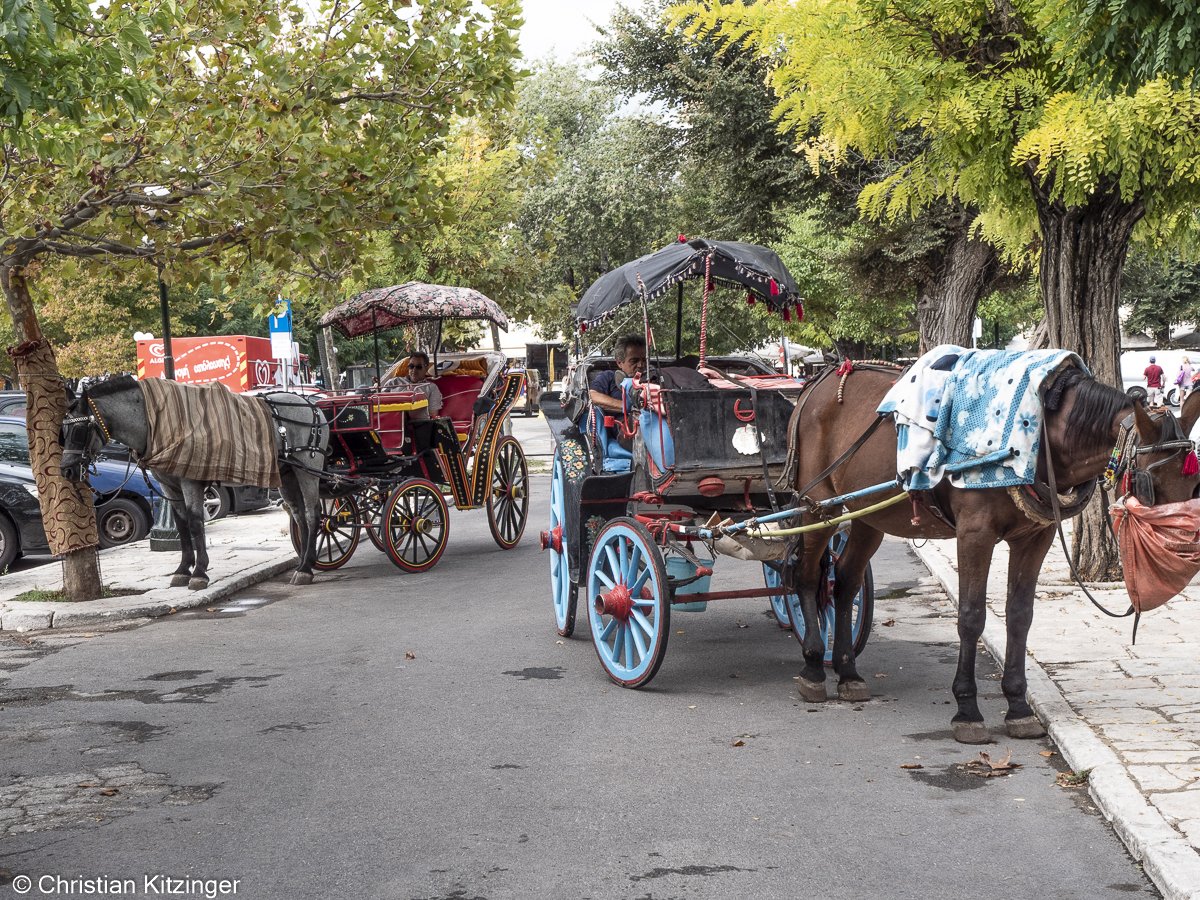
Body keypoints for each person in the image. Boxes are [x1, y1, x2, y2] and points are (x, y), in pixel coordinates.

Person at [589, 334, 646, 414]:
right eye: (634, 361)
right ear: (619, 363)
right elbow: (592, 396)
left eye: (644, 360)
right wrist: (628, 406)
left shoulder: (653, 378)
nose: (641, 365)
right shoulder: (608, 377)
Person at [384, 350, 443, 420]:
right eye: (411, 366)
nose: (414, 370)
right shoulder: (394, 382)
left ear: (426, 368)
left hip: (418, 426)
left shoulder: (431, 388)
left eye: (418, 367)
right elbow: (379, 403)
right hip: (390, 422)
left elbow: (433, 415)